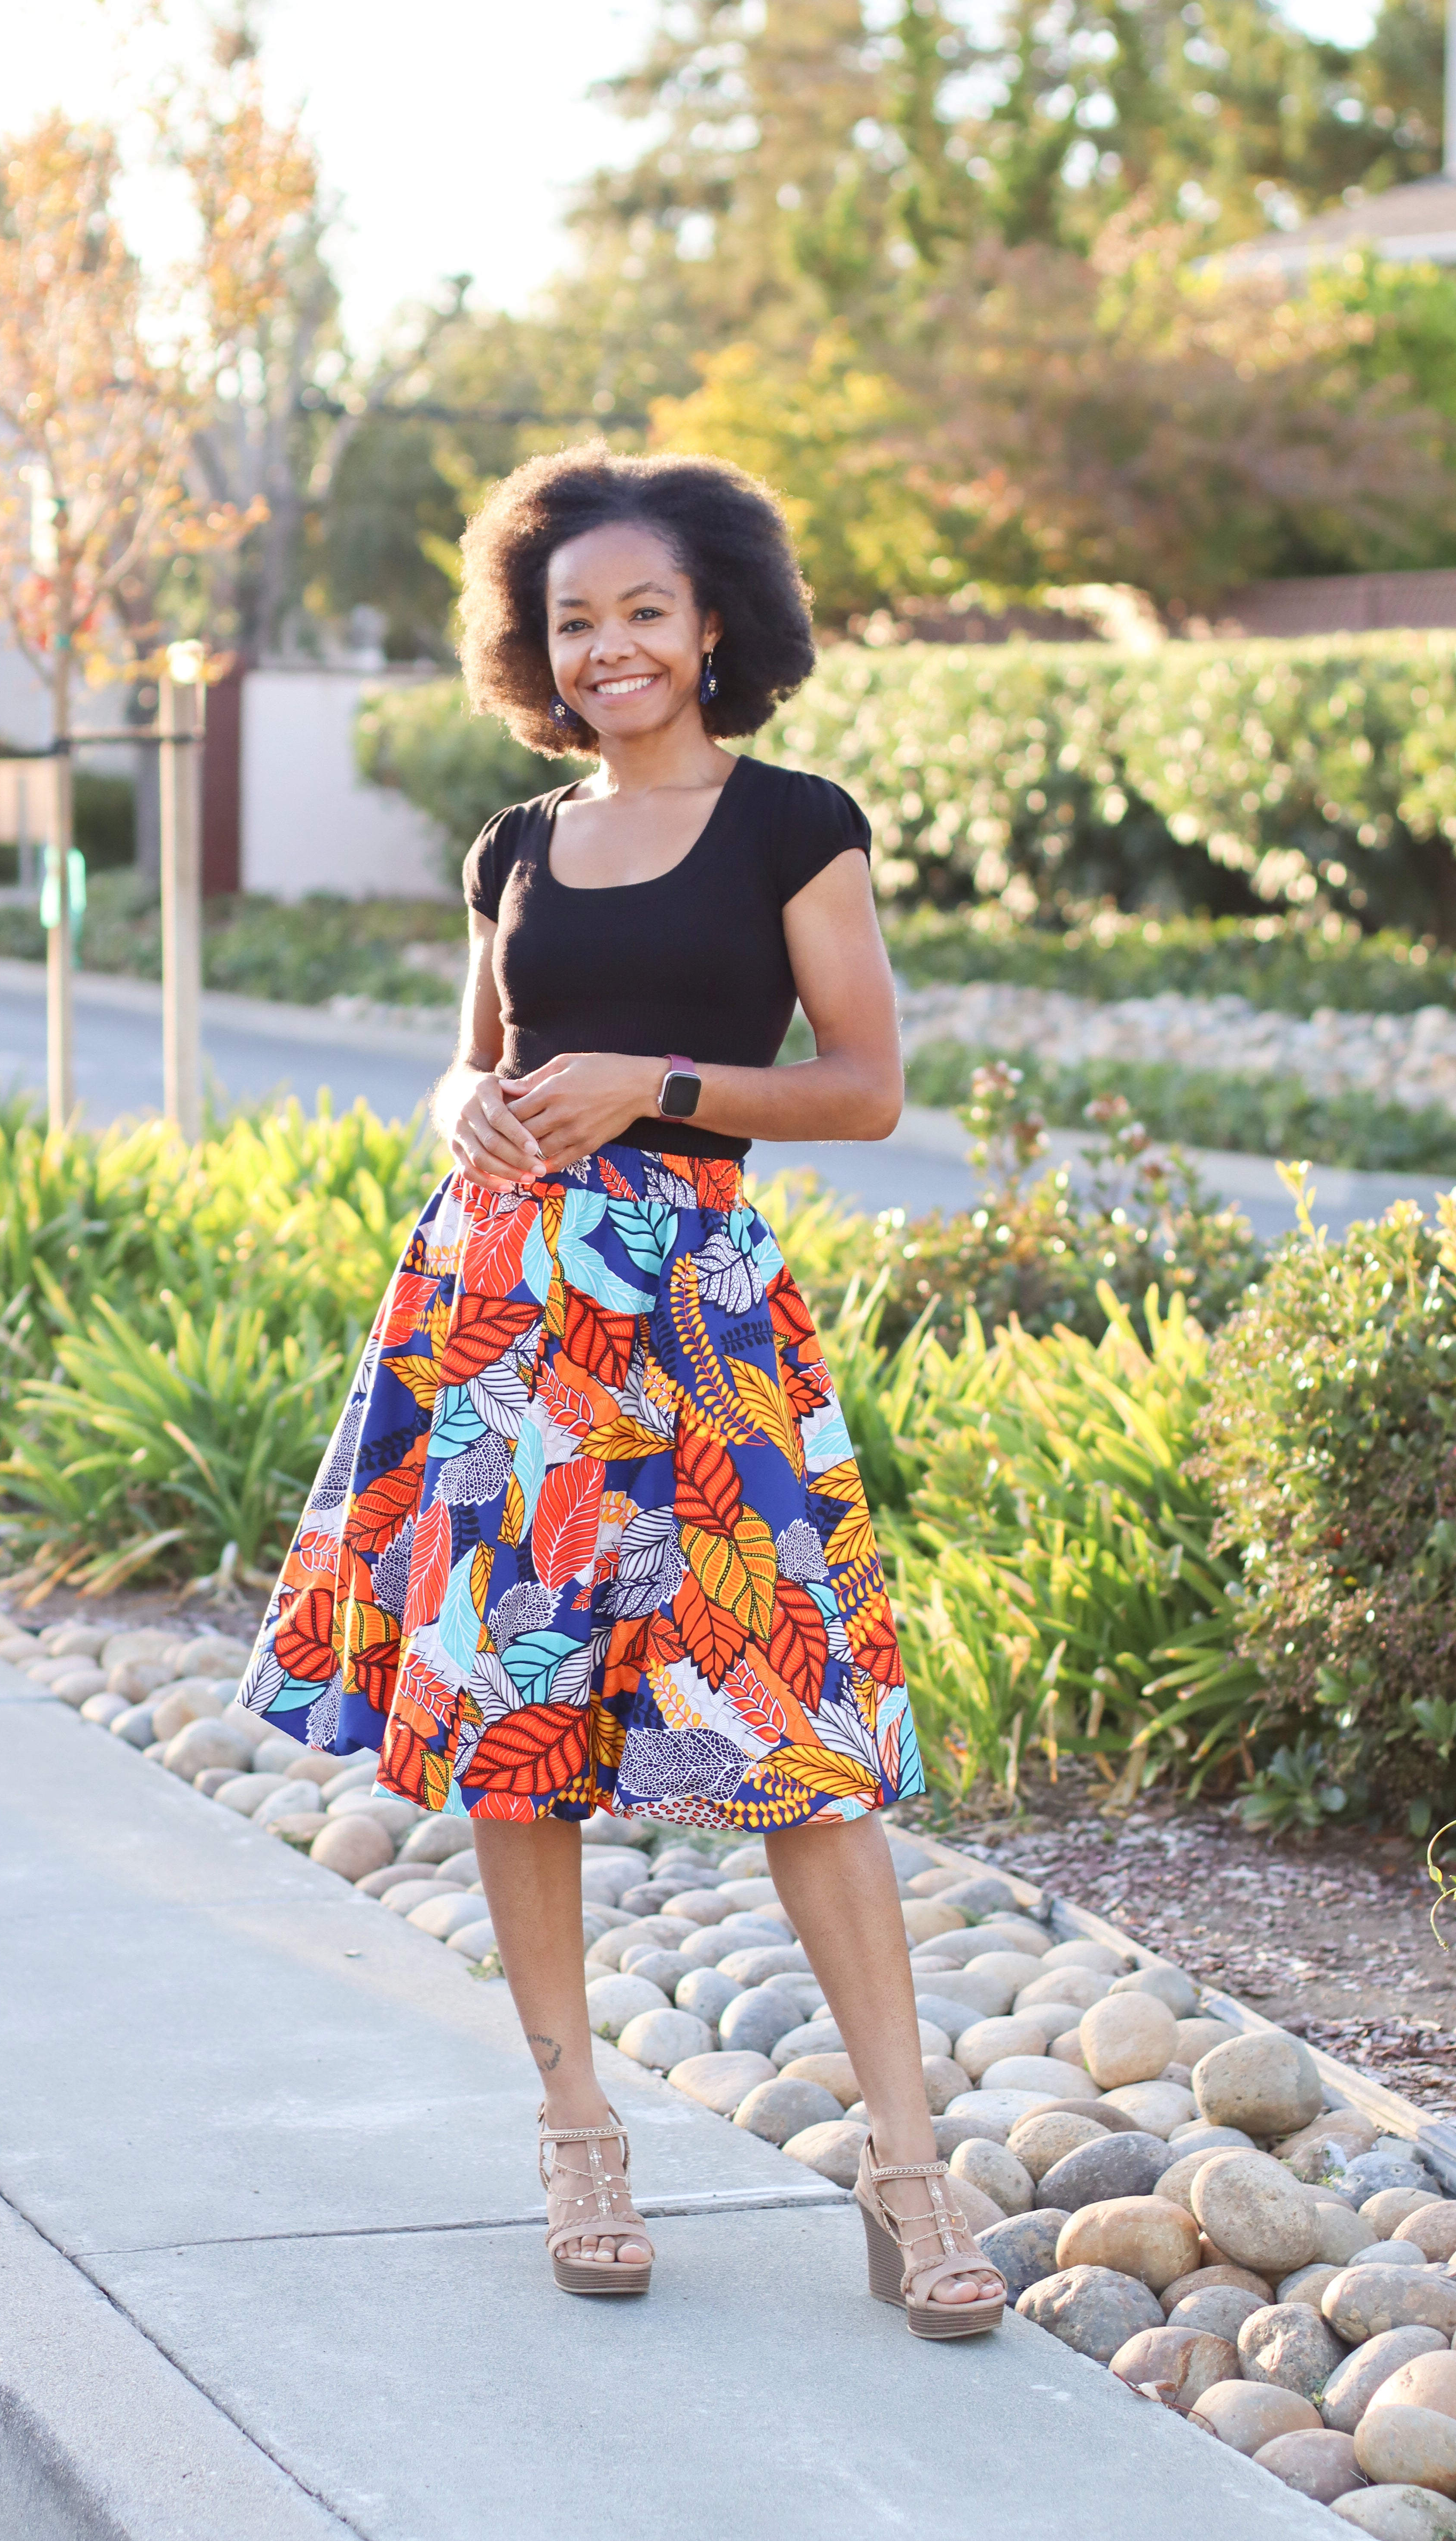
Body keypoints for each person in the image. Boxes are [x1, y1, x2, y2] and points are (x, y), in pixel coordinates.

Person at [245, 445, 1005, 2339]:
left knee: (786, 1730)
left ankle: (906, 2166)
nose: (610, 650)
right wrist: (472, 1105)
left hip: (697, 1323)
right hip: (502, 1317)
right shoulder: (517, 845)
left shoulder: (789, 824)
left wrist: (650, 1085)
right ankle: (576, 2120)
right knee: (521, 1718)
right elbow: (470, 1063)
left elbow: (862, 1088)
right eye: (573, 620)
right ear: (538, 643)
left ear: (715, 622)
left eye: (643, 614)